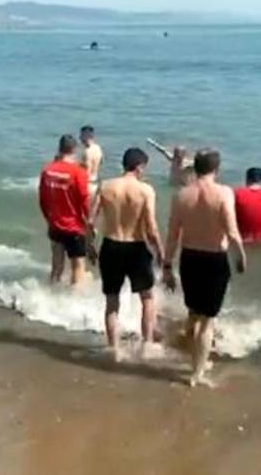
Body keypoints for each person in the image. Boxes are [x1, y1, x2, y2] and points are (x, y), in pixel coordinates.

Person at [163, 149, 246, 387]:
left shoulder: (181, 195)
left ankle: (190, 354)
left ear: (194, 167)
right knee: (207, 321)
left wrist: (167, 266)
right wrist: (240, 256)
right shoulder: (224, 193)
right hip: (213, 260)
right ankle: (196, 372)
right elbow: (231, 231)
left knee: (193, 312)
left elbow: (172, 235)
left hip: (189, 258)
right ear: (216, 169)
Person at [89, 148, 166, 361]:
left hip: (111, 245)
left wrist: (90, 245)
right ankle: (147, 344)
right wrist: (160, 251)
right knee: (147, 298)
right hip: (136, 247)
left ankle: (113, 349)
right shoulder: (145, 190)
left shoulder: (105, 186)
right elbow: (151, 227)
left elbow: (89, 222)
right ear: (140, 166)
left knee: (112, 301)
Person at [39, 135, 90, 286]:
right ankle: (74, 301)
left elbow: (42, 200)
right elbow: (84, 201)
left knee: (57, 265)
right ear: (74, 149)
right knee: (77, 266)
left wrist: (49, 220)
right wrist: (89, 223)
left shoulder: (47, 170)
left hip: (55, 224)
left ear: (59, 148)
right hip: (74, 227)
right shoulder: (78, 172)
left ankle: (50, 295)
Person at [79, 125, 103, 197]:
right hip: (96, 182)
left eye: (81, 135)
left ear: (85, 136)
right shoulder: (98, 148)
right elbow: (101, 163)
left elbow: (87, 171)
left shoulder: (87, 152)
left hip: (88, 184)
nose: (80, 138)